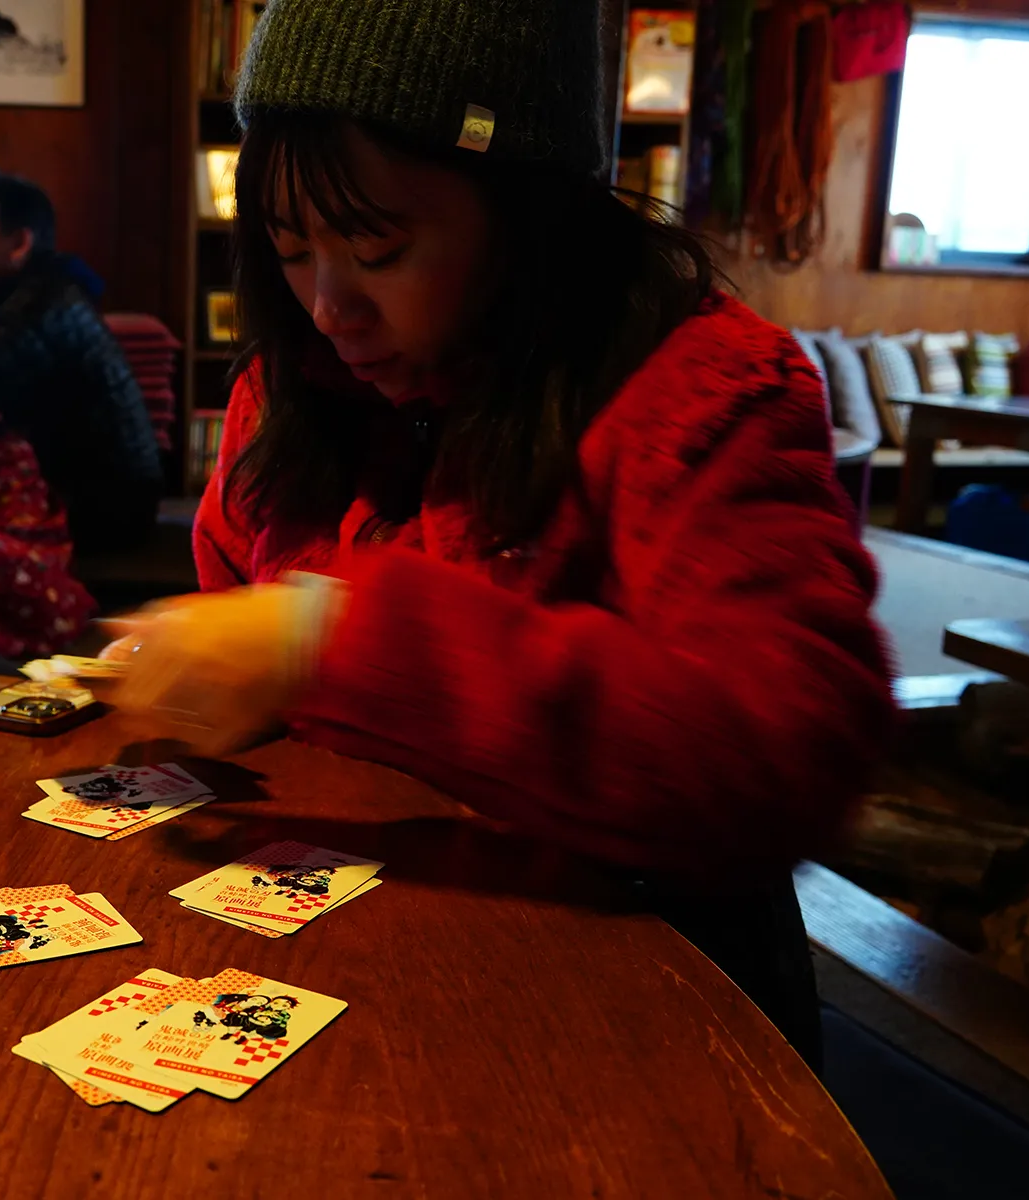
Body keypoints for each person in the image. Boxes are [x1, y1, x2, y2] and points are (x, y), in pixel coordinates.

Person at [104, 0, 892, 1066]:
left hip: (639, 1015)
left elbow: (786, 757)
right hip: (343, 980)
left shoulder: (707, 389)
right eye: (291, 249)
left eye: (378, 249)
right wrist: (207, 671)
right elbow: (234, 597)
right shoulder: (289, 389)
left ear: (529, 216)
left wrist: (328, 642)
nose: (329, 306)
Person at [0, 170, 162, 555]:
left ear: (20, 242)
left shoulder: (47, 303)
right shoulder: (13, 295)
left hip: (103, 508)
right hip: (69, 486)